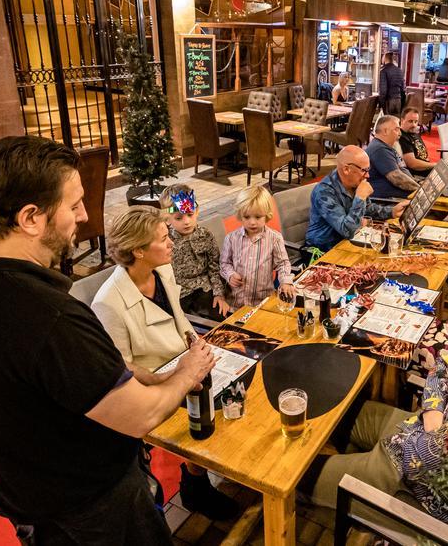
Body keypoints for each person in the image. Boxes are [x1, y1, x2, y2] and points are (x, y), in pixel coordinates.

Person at [0, 136, 216, 545]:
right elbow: (140, 417)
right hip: (92, 510)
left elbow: (51, 377)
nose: (84, 216)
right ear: (31, 217)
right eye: (74, 204)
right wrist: (186, 373)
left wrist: (143, 374)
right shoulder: (49, 317)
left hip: (26, 503)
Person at [306, 274, 448, 526]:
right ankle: (342, 454)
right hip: (415, 430)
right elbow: (443, 363)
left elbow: (416, 459)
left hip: (412, 486)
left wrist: (442, 405)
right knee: (336, 412)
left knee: (299, 475)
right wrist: (437, 410)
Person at [91, 206, 238, 520]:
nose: (171, 241)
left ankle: (207, 476)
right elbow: (122, 367)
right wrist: (172, 377)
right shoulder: (108, 303)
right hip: (151, 386)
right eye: (162, 238)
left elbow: (178, 317)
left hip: (181, 364)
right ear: (139, 251)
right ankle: (197, 486)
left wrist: (194, 342)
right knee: (210, 407)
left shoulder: (162, 271)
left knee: (237, 385)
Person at [306, 146, 408, 253]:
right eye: (364, 170)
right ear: (346, 169)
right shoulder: (324, 192)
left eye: (369, 170)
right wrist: (360, 198)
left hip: (348, 244)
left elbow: (367, 209)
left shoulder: (354, 182)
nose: (368, 175)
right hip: (323, 251)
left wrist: (392, 211)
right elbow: (348, 231)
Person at [220, 186, 295, 309]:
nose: (252, 222)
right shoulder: (231, 238)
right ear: (240, 216)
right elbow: (224, 263)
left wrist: (285, 281)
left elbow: (283, 263)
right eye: (247, 217)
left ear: (267, 215)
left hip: (263, 303)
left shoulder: (274, 238)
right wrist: (230, 275)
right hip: (235, 304)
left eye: (258, 217)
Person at [164, 185, 231, 321]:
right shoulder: (165, 241)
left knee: (222, 320)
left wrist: (219, 294)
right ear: (167, 219)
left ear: (197, 211)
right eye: (179, 218)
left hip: (205, 290)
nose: (187, 221)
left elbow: (214, 268)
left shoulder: (206, 235)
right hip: (179, 295)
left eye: (190, 214)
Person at [366, 115, 421, 200]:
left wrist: (418, 182)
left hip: (399, 194)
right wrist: (422, 190)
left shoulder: (384, 146)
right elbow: (397, 179)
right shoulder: (380, 149)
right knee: (436, 208)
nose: (400, 133)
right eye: (396, 129)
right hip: (388, 199)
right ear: (385, 131)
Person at [398, 108, 435, 177]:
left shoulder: (414, 133)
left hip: (426, 168)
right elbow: (412, 164)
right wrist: (434, 165)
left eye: (416, 121)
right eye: (410, 121)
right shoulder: (402, 137)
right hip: (417, 174)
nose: (414, 125)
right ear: (402, 120)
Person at [378, 51, 405, 116]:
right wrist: (402, 103)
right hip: (398, 101)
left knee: (388, 122)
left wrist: (381, 104)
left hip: (389, 101)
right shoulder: (399, 71)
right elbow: (403, 88)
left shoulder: (384, 71)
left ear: (385, 59)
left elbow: (383, 90)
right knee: (396, 122)